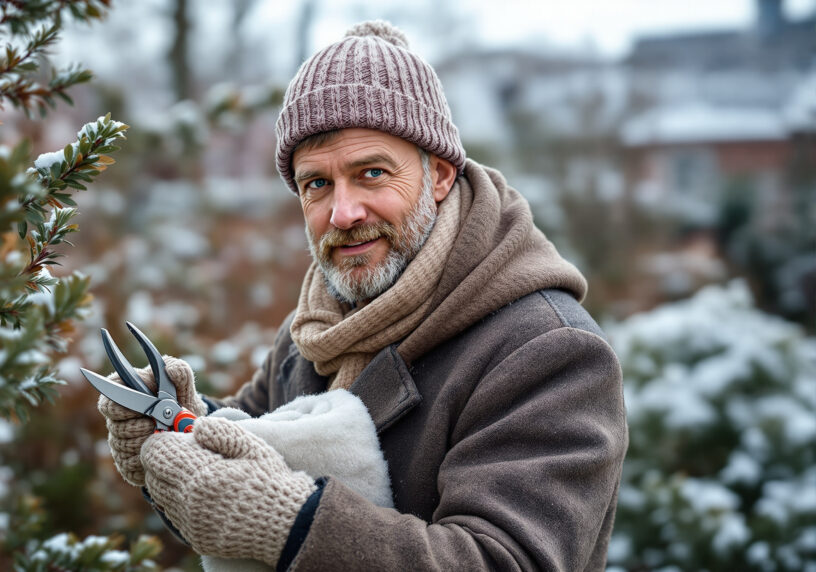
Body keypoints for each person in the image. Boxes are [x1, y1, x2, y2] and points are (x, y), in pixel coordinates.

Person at [97, 20, 627, 571]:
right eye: (317, 184)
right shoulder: (315, 327)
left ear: (439, 175)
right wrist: (181, 427)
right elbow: (249, 457)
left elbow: (504, 560)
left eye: (371, 173)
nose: (343, 213)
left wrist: (292, 525)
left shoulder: (551, 351)